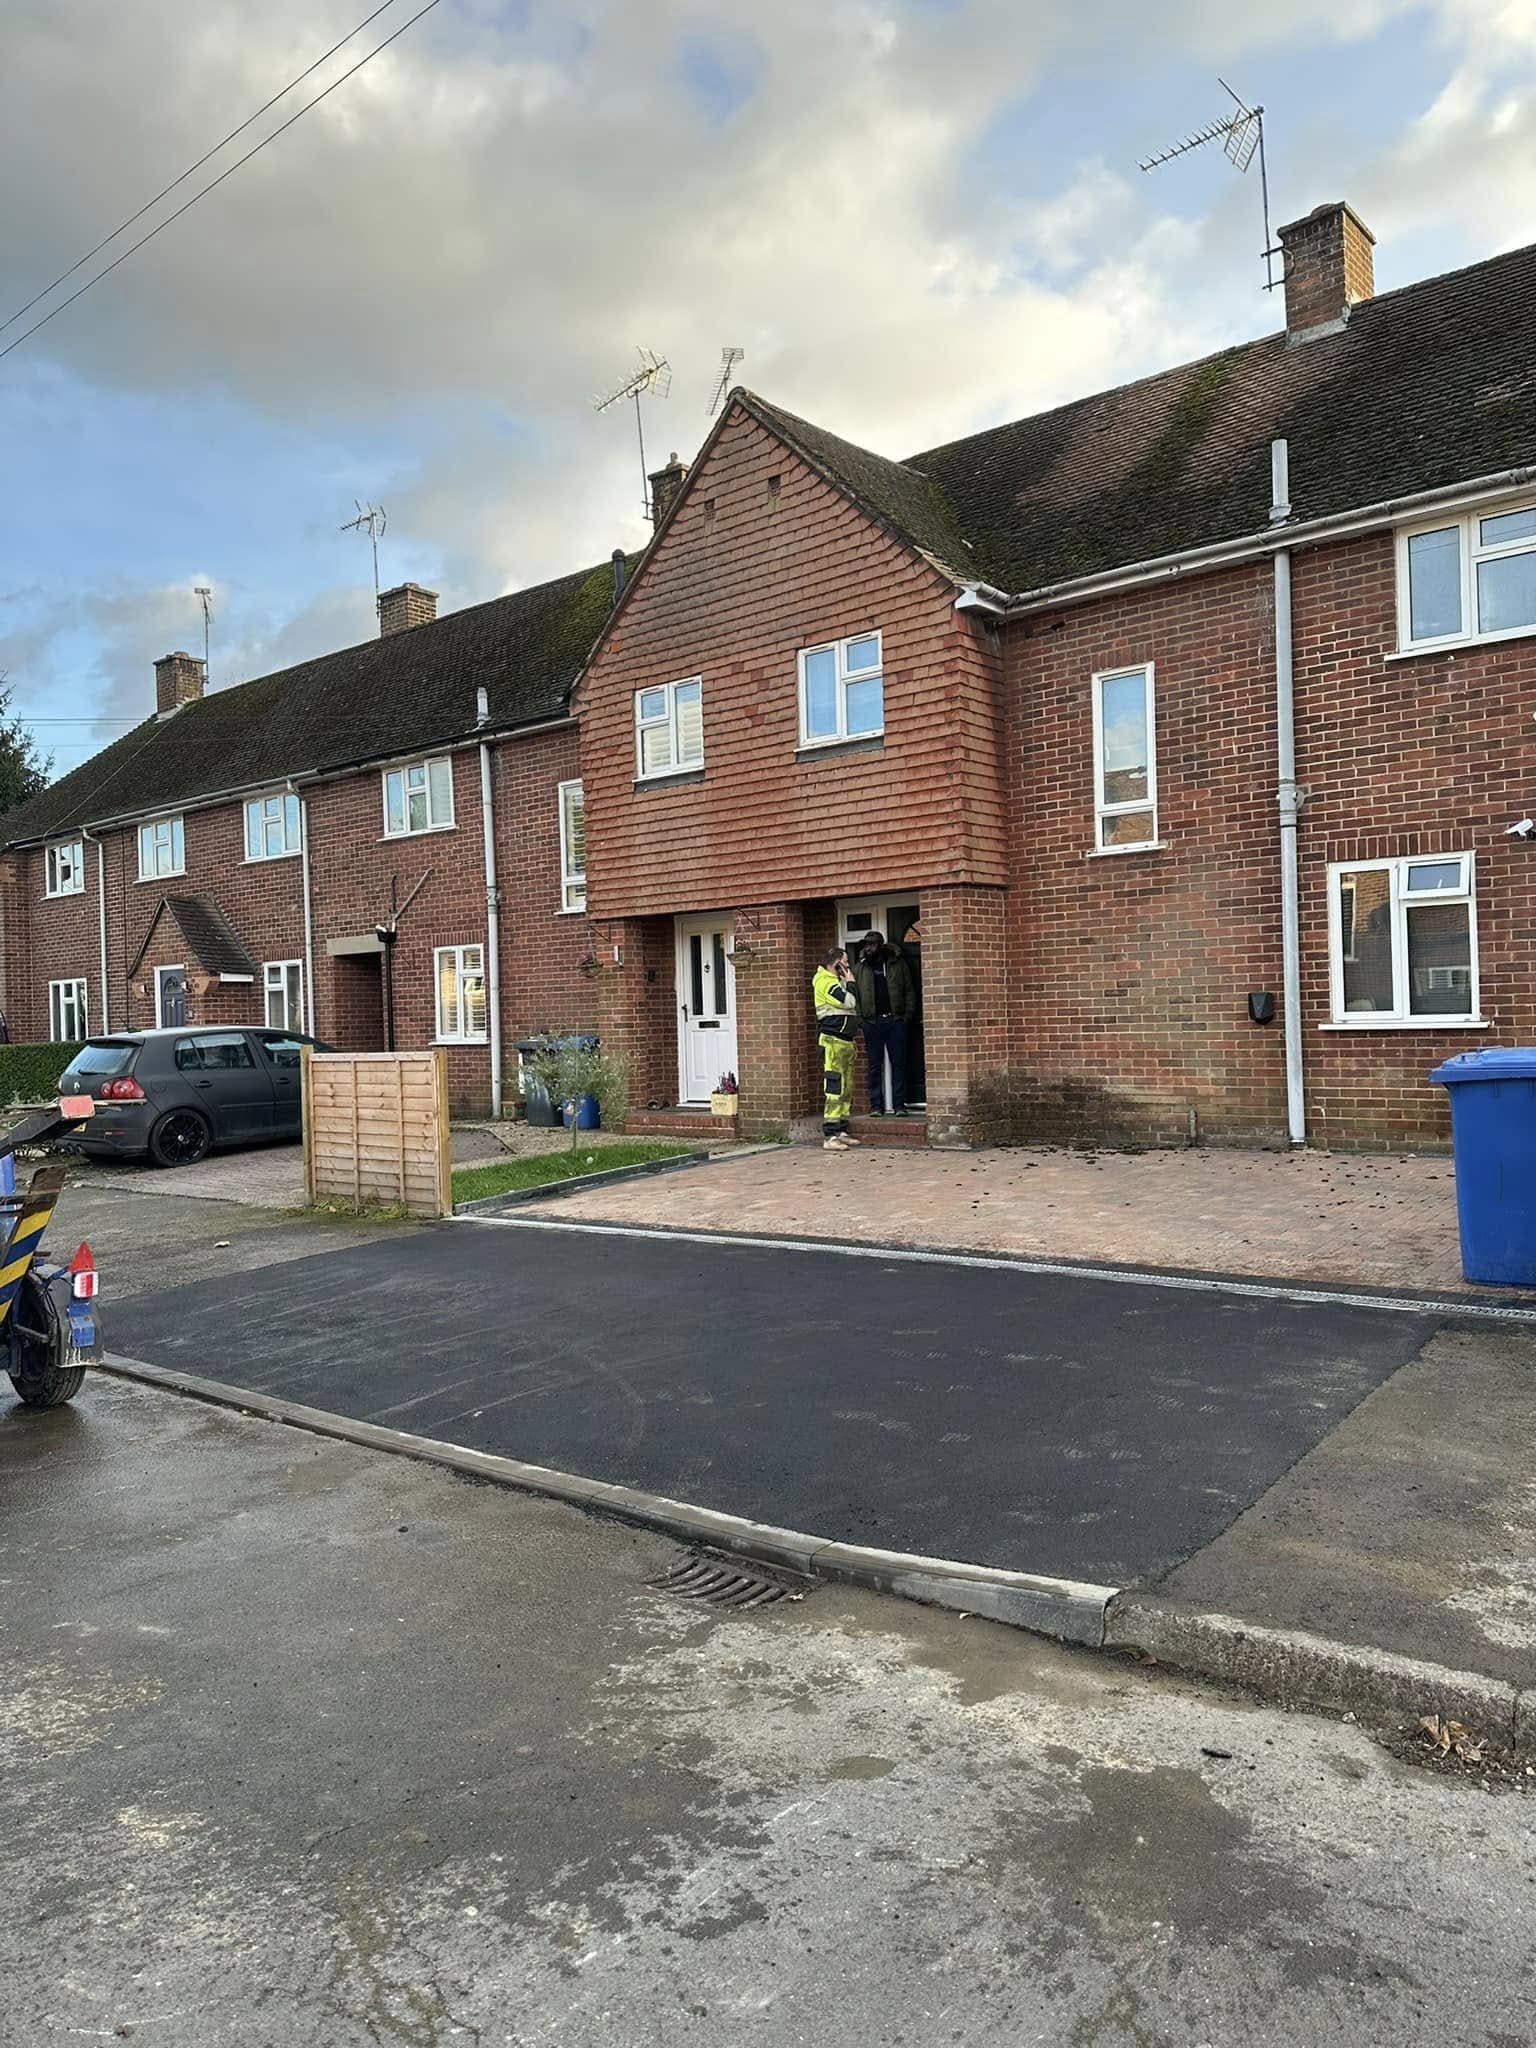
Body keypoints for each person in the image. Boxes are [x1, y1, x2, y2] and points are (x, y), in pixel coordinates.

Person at [853, 929, 916, 1117]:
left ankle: (899, 1105)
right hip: (871, 1022)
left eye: (871, 944)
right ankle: (876, 1106)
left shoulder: (897, 965)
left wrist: (907, 1016)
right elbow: (854, 996)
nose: (868, 948)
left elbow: (909, 991)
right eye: (866, 945)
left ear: (880, 946)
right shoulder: (860, 968)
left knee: (899, 1064)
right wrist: (861, 1021)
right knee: (874, 1066)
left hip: (895, 1020)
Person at [812, 945, 861, 1151]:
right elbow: (849, 1002)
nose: (848, 966)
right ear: (837, 963)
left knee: (846, 1087)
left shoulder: (836, 981)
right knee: (835, 1088)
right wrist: (850, 983)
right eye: (846, 962)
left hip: (845, 1041)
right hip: (832, 1042)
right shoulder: (825, 982)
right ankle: (830, 1136)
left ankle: (841, 1130)